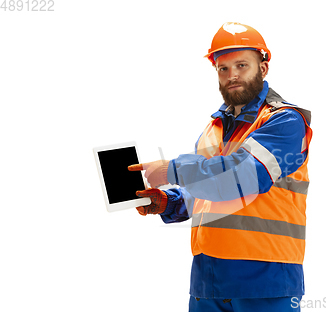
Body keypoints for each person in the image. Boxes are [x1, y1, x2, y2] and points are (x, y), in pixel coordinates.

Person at [128, 22, 313, 312]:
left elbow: (243, 176)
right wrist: (168, 201)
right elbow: (206, 193)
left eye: (242, 65)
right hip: (207, 282)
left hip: (265, 282)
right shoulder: (213, 129)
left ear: (263, 68)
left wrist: (172, 169)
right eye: (223, 68)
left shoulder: (285, 121)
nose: (232, 75)